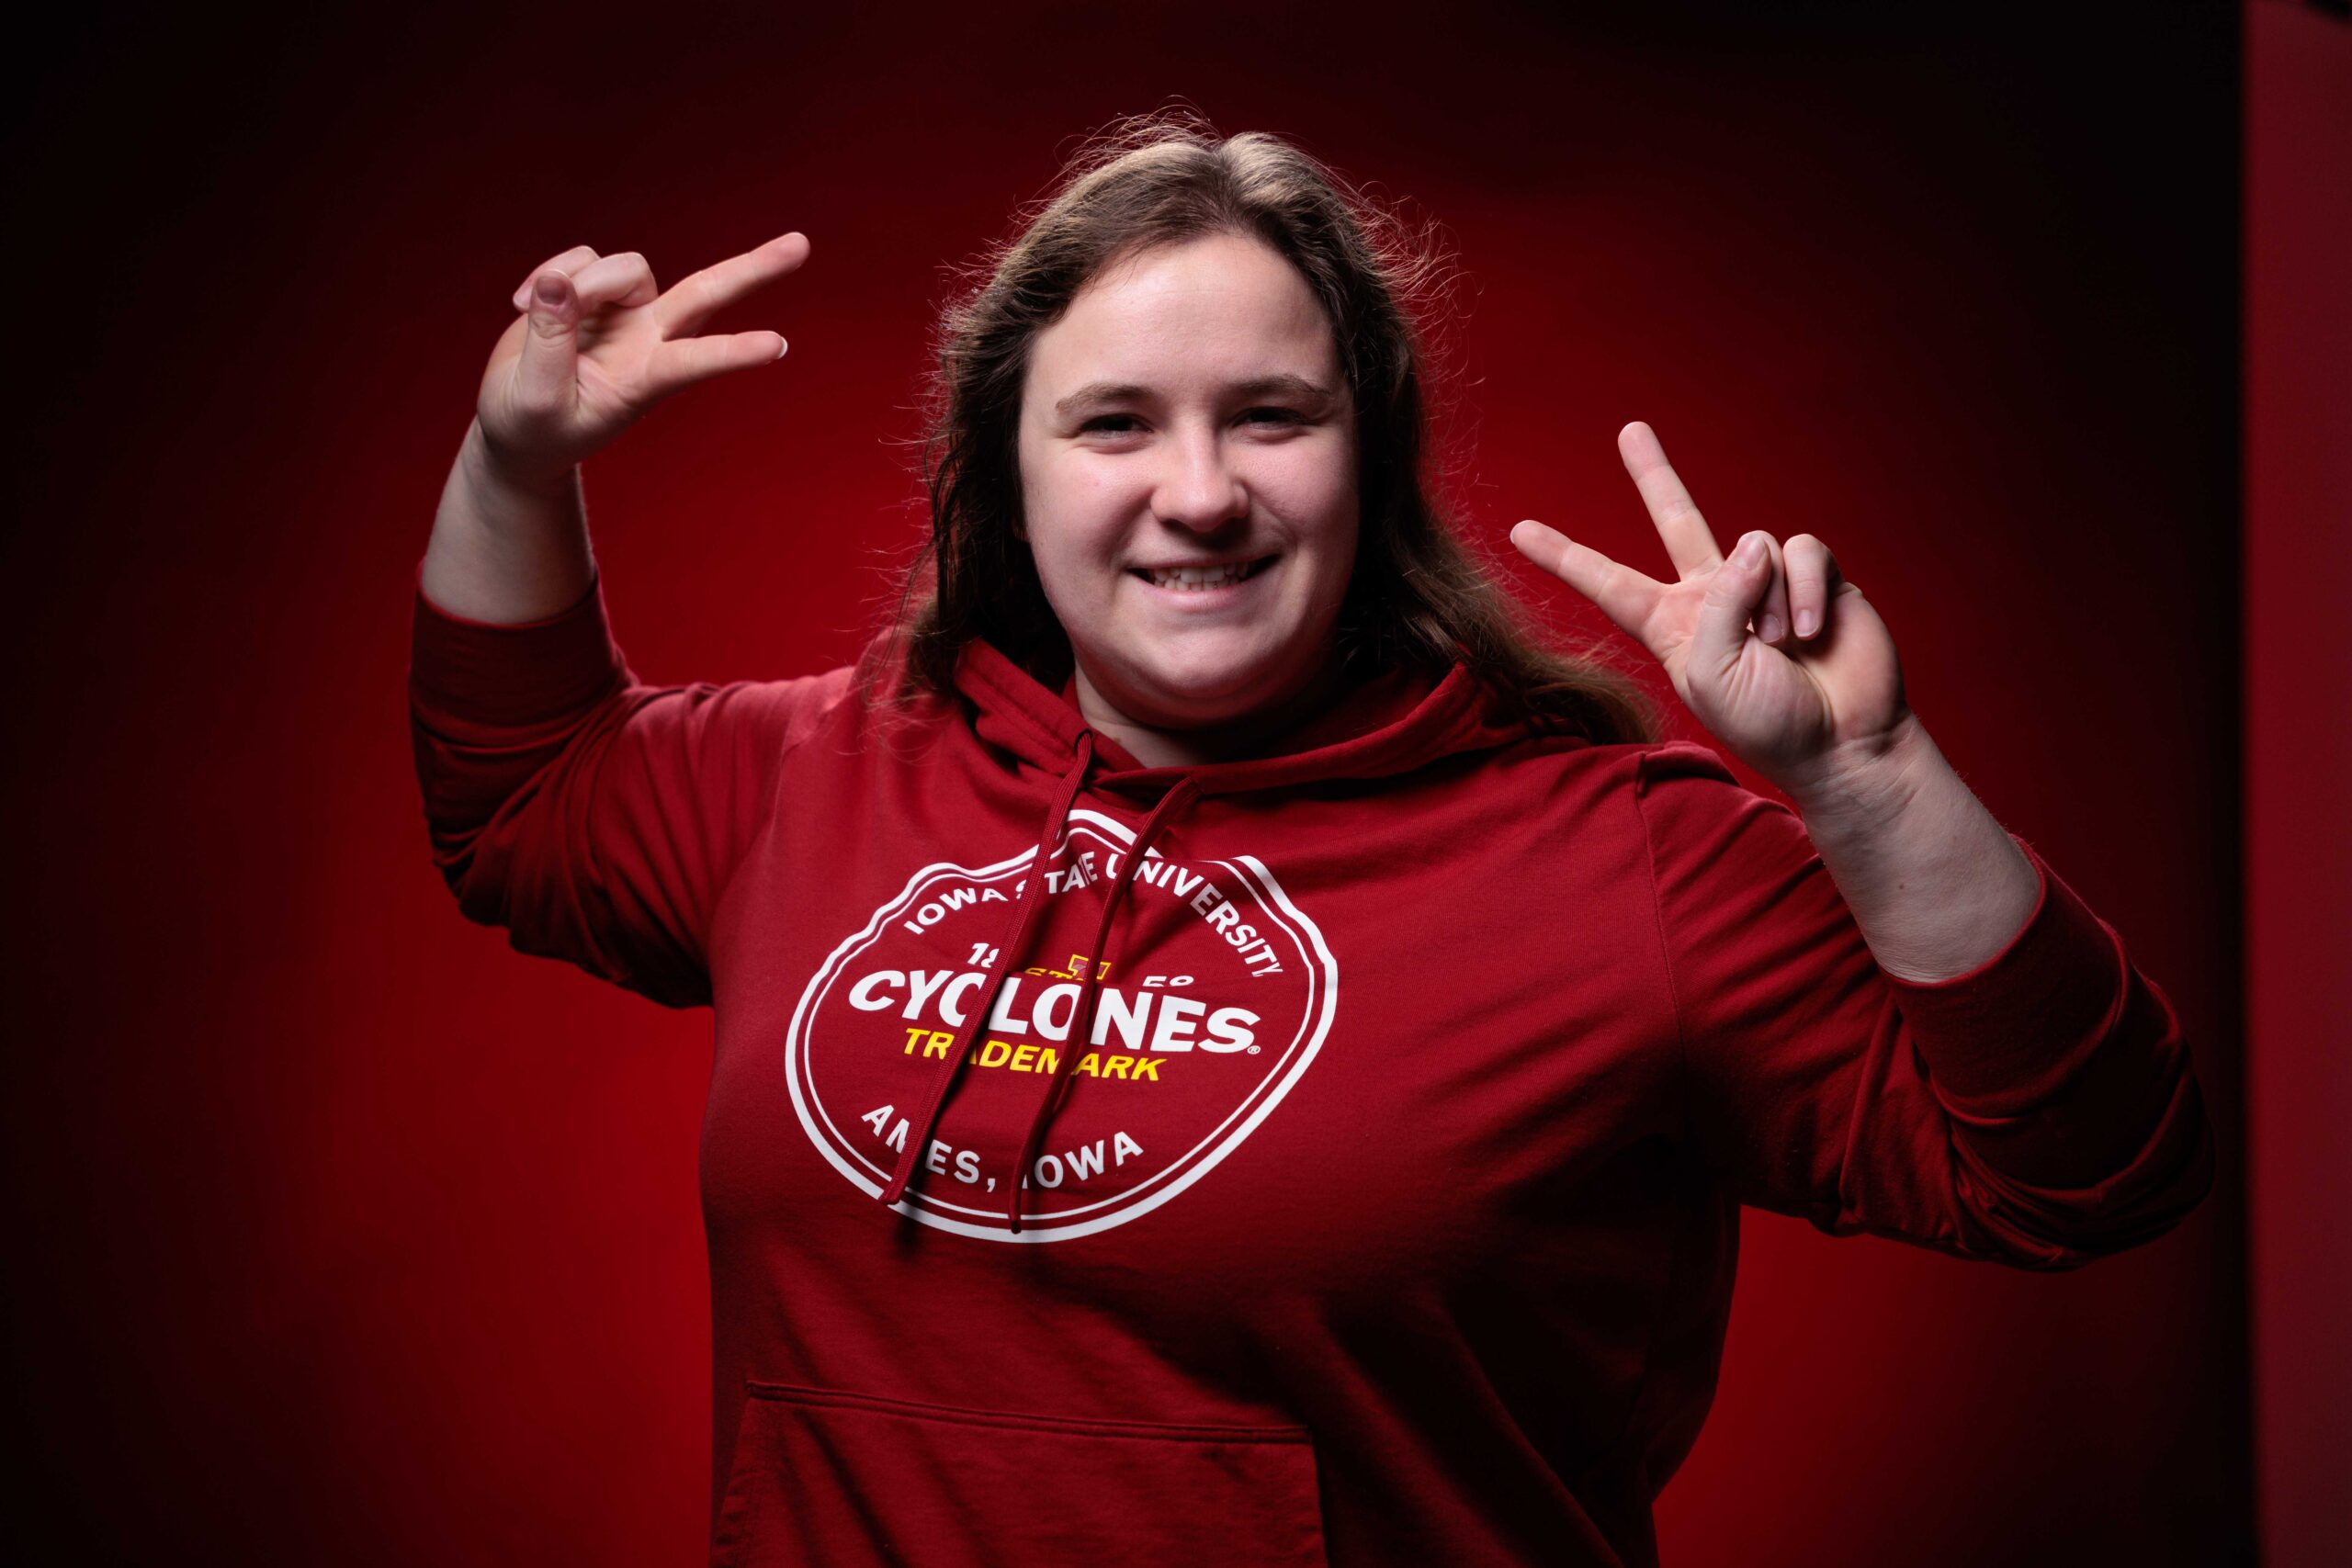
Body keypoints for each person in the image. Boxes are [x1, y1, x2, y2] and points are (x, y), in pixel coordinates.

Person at [409, 117, 2213, 1568]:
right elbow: (522, 805)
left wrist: (1870, 775)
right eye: (1111, 421)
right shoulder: (815, 773)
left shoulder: (1618, 862)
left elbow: (2092, 1167)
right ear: (1006, 474)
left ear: (1369, 461)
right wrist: (509, 464)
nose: (1197, 489)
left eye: (1270, 414)